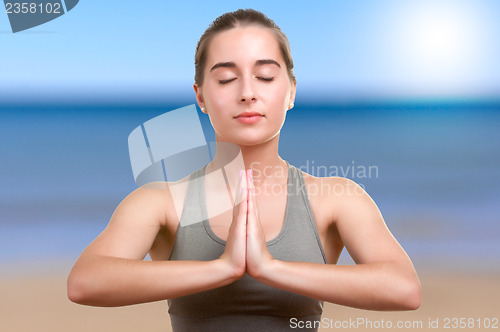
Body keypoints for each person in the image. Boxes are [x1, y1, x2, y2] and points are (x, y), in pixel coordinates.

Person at [67, 8, 421, 331]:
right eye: (225, 79)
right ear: (201, 97)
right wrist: (221, 268)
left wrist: (270, 268)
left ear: (291, 92)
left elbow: (404, 290)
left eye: (265, 76)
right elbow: (85, 282)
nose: (248, 92)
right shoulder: (161, 202)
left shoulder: (335, 199)